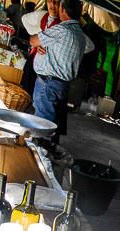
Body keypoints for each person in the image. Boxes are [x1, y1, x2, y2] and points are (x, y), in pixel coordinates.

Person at [29, 0, 85, 137]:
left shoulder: (62, 29)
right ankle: (47, 147)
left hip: (48, 84)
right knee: (51, 123)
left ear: (63, 10)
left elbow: (33, 40)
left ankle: (42, 149)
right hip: (61, 85)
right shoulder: (80, 35)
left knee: (42, 125)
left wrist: (37, 44)